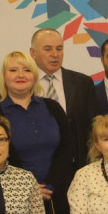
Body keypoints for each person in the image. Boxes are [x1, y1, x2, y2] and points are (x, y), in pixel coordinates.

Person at [0, 51, 74, 214]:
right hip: (13, 199)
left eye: (27, 70)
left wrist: (50, 185)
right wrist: (27, 187)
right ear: (4, 76)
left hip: (57, 195)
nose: (20, 75)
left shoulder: (52, 107)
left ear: (34, 75)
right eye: (13, 70)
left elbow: (67, 149)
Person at [29, 28, 98, 169]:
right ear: (33, 53)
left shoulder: (83, 83)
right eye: (47, 49)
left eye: (59, 48)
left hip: (76, 168)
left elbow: (93, 125)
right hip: (34, 167)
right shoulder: (21, 84)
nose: (55, 54)